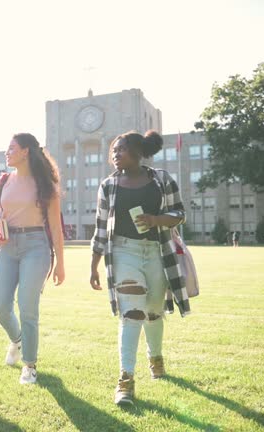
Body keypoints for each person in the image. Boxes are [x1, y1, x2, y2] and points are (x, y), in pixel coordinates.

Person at [89, 130, 190, 406]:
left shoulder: (161, 179)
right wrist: (93, 266)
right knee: (132, 313)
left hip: (157, 252)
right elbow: (100, 228)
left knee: (154, 312)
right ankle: (125, 381)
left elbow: (180, 213)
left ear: (136, 151)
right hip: (123, 252)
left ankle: (155, 358)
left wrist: (156, 219)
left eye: (120, 149)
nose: (115, 154)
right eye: (113, 151)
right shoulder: (108, 186)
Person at [0, 133, 65, 385]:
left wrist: (60, 263)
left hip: (36, 247)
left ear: (26, 151)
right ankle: (18, 341)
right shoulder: (3, 180)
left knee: (28, 308)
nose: (7, 153)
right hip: (7, 248)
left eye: (11, 148)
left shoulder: (46, 185)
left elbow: (55, 226)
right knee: (0, 306)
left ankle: (29, 365)